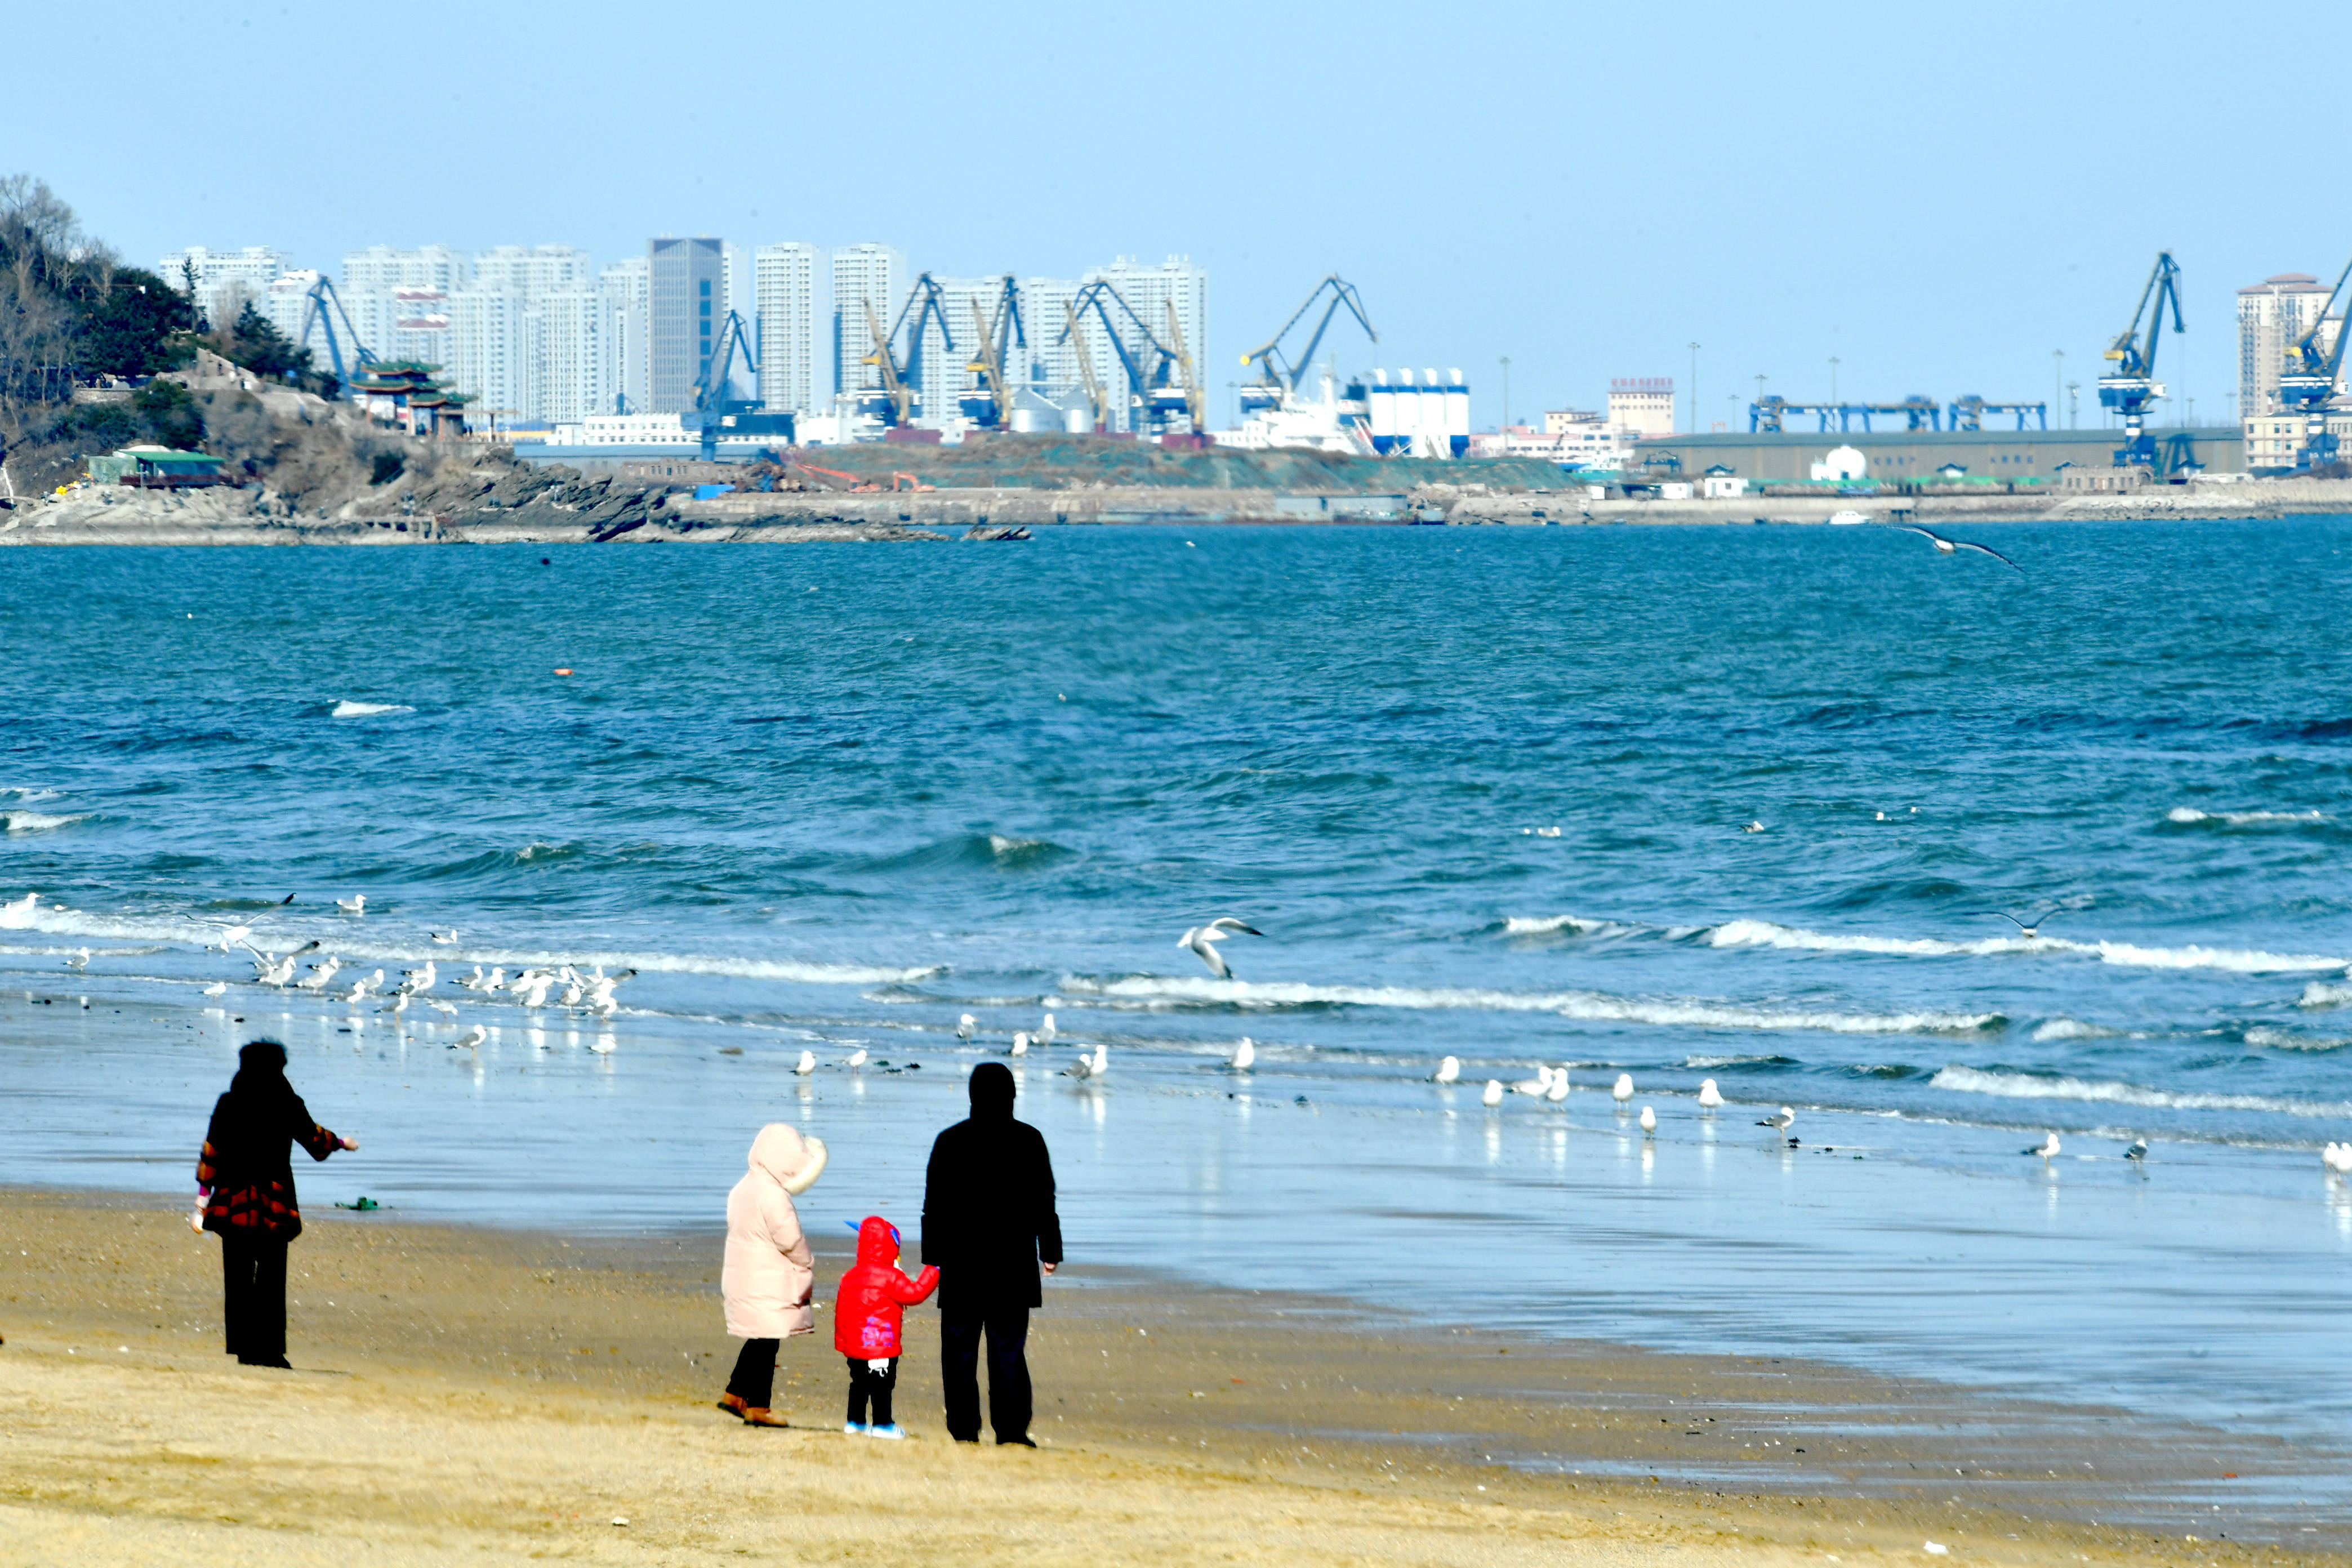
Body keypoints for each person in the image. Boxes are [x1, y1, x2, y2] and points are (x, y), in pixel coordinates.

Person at [921, 1061, 1062, 1445]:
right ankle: (1013, 1431)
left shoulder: (949, 1140)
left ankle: (965, 1430)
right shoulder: (1030, 1139)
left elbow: (933, 1205)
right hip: (1012, 1267)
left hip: (961, 1265)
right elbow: (1043, 1202)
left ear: (971, 1097)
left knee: (959, 1351)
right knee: (1008, 1351)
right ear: (1012, 1096)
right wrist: (1050, 1251)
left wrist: (932, 1256)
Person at [194, 1039, 357, 1368]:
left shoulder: (228, 1102)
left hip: (232, 1199)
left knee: (237, 1277)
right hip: (274, 1201)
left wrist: (202, 1197)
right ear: (279, 1067)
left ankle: (244, 1349)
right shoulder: (287, 1102)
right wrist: (341, 1143)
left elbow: (213, 1148)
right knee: (271, 1277)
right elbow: (314, 1140)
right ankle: (269, 1350)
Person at [718, 1122, 826, 1428]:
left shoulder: (742, 1188)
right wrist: (807, 1260)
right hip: (767, 1277)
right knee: (768, 1339)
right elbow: (789, 1239)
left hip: (744, 1273)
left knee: (761, 1336)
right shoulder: (773, 1195)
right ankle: (758, 1407)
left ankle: (735, 1394)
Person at [833, 1215, 938, 1439]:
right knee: (882, 1385)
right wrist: (934, 1270)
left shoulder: (849, 1277)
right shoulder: (891, 1277)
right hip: (882, 1345)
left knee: (859, 1383)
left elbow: (840, 1313)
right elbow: (915, 1293)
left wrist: (842, 1342)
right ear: (890, 1247)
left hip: (855, 1346)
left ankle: (855, 1422)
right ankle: (882, 1424)